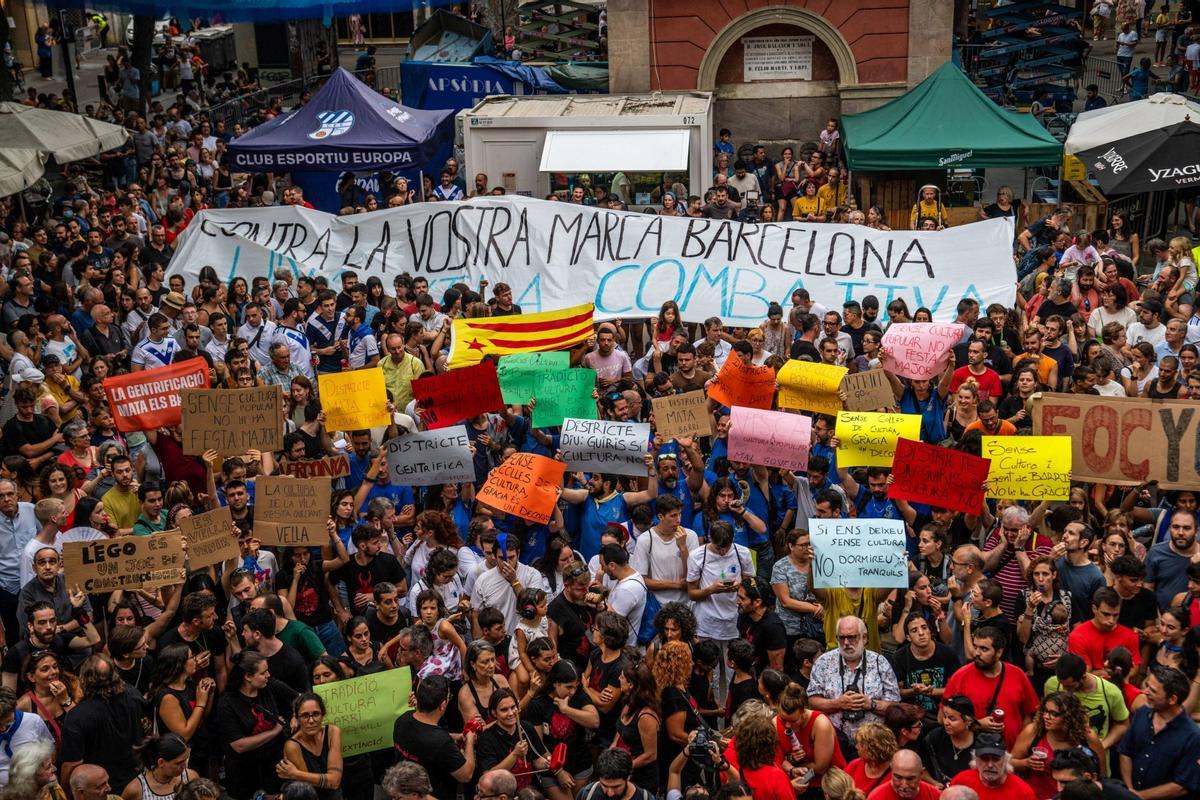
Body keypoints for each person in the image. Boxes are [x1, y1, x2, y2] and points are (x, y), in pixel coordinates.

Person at [1117, 665, 1200, 796]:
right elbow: (1125, 752)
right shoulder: (1142, 713)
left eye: (1153, 690)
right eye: (1147, 686)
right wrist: (1130, 789)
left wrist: (1140, 797)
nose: (1145, 692)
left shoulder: (1193, 736)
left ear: (1172, 699)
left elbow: (1182, 785)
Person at [392, 675, 476, 800]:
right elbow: (466, 774)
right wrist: (469, 741)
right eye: (449, 698)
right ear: (442, 705)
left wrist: (455, 736)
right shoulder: (441, 742)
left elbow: (422, 735)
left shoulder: (402, 720)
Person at [948, 731, 1036, 799]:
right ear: (976, 760)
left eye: (996, 759)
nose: (990, 765)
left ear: (1006, 760)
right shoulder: (960, 782)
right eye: (984, 758)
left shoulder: (1023, 793)